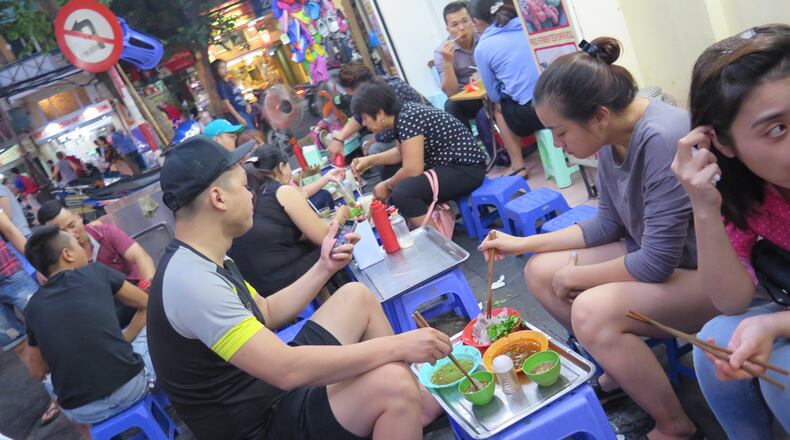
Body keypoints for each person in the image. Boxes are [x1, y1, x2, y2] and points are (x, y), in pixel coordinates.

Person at [481, 37, 715, 440]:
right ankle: (622, 368)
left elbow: (656, 263)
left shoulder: (660, 138)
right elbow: (607, 224)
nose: (556, 144)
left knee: (589, 309)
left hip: (705, 271)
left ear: (599, 116)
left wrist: (577, 277)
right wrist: (521, 244)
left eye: (560, 132)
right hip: (664, 257)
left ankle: (675, 425)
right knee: (539, 271)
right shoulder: (611, 137)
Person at [148, 136, 451, 439]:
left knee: (355, 297)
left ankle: (416, 407)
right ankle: (402, 403)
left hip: (269, 390)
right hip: (261, 424)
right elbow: (287, 371)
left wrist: (324, 267)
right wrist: (399, 346)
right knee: (392, 385)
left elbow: (265, 311)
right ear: (218, 198)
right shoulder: (192, 282)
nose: (252, 196)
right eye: (243, 187)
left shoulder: (205, 259)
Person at [671, 25, 790, 439]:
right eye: (777, 129)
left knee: (784, 382)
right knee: (717, 341)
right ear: (721, 143)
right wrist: (702, 206)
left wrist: (775, 326)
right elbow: (732, 300)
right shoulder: (753, 193)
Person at [22, 225, 150, 437]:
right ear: (68, 254)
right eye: (80, 245)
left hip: (83, 412)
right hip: (131, 388)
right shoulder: (96, 272)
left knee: (51, 381)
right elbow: (146, 304)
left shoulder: (32, 308)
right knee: (152, 326)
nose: (84, 249)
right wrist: (125, 338)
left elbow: (37, 371)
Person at [350, 81, 487, 226]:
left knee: (403, 193)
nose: (364, 124)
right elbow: (400, 153)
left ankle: (438, 244)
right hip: (451, 166)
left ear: (379, 114)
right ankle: (424, 226)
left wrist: (387, 185)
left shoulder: (408, 118)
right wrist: (370, 160)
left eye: (365, 118)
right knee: (390, 173)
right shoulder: (403, 116)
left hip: (466, 168)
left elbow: (413, 169)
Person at [229, 145, 349, 296]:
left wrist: (326, 178)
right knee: (339, 246)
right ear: (281, 167)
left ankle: (327, 300)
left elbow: (302, 194)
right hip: (280, 283)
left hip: (257, 286)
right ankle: (347, 295)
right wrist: (341, 215)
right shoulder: (281, 191)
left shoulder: (254, 193)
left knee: (308, 242)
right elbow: (325, 237)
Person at [37, 201, 156, 329]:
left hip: (133, 291)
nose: (71, 234)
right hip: (101, 307)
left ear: (78, 217)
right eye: (61, 233)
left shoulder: (105, 232)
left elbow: (141, 256)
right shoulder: (58, 261)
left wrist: (147, 286)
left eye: (72, 225)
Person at [470, 0, 544, 177]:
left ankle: (518, 166)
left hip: (532, 114)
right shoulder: (528, 26)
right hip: (558, 100)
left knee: (498, 108)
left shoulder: (483, 47)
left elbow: (493, 94)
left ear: (477, 21)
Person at [0, 211, 60, 424]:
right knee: (18, 345)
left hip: (11, 274)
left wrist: (36, 265)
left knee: (50, 324)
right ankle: (56, 395)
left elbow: (9, 230)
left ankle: (84, 379)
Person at [326, 63, 429, 173]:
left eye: (353, 93)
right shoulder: (375, 87)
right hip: (403, 131)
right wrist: (339, 139)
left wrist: (375, 139)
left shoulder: (392, 88)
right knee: (365, 141)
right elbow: (359, 118)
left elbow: (397, 125)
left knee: (375, 148)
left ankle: (392, 177)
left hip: (422, 134)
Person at [435, 2, 484, 128]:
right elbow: (451, 93)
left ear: (472, 21)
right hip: (470, 99)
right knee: (451, 105)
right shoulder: (442, 52)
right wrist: (447, 62)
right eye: (455, 25)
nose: (461, 28)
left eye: (465, 21)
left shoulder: (484, 37)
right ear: (448, 29)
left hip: (492, 90)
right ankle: (466, 145)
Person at [210, 59, 255, 128]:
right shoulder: (221, 85)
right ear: (216, 71)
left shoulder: (230, 82)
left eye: (225, 67)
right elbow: (227, 104)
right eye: (222, 68)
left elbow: (239, 95)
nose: (225, 69)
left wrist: (247, 104)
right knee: (252, 135)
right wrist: (239, 118)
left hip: (245, 111)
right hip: (239, 114)